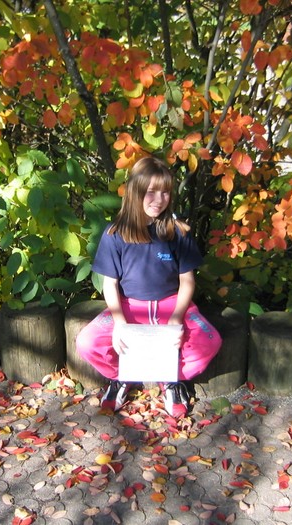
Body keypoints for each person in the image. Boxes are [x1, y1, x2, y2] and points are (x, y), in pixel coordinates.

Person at [76, 156, 222, 418]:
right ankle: (123, 377)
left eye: (165, 192)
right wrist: (120, 323)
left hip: (172, 306)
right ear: (135, 191)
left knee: (210, 341)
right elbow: (110, 284)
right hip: (129, 308)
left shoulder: (178, 233)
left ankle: (170, 379)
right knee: (86, 342)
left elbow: (187, 281)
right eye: (151, 192)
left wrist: (176, 318)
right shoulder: (115, 234)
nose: (159, 199)